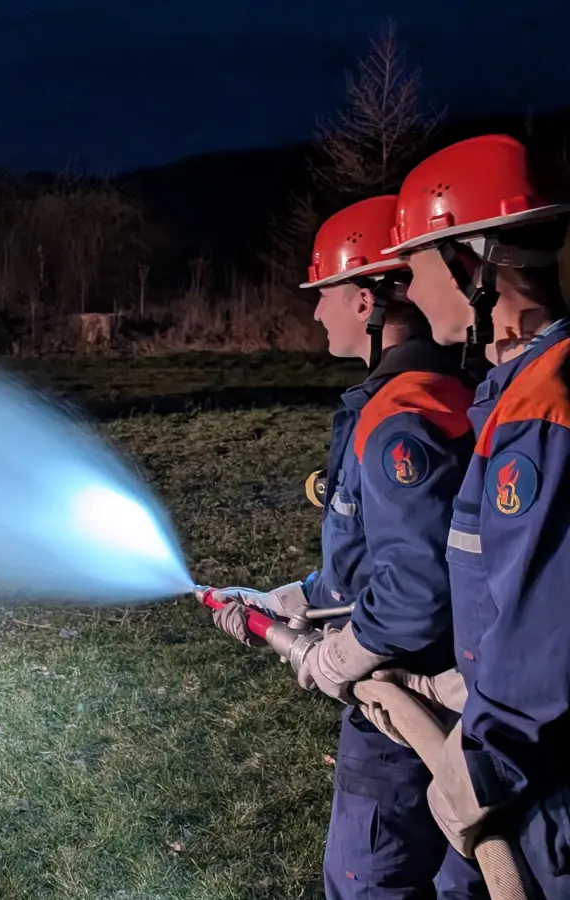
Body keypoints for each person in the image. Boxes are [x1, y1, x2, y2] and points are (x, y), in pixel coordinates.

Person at [209, 194, 485, 898]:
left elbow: (416, 587)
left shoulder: (400, 421)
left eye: (324, 293)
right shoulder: (446, 392)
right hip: (458, 694)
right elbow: (381, 554)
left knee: (372, 880)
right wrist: (294, 599)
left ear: (366, 301)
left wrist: (337, 656)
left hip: (409, 700)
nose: (315, 312)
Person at [370, 133, 570, 899]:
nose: (411, 295)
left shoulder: (540, 412)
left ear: (472, 264)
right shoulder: (519, 390)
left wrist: (482, 763)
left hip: (541, 788)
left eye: (417, 267)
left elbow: (548, 631)